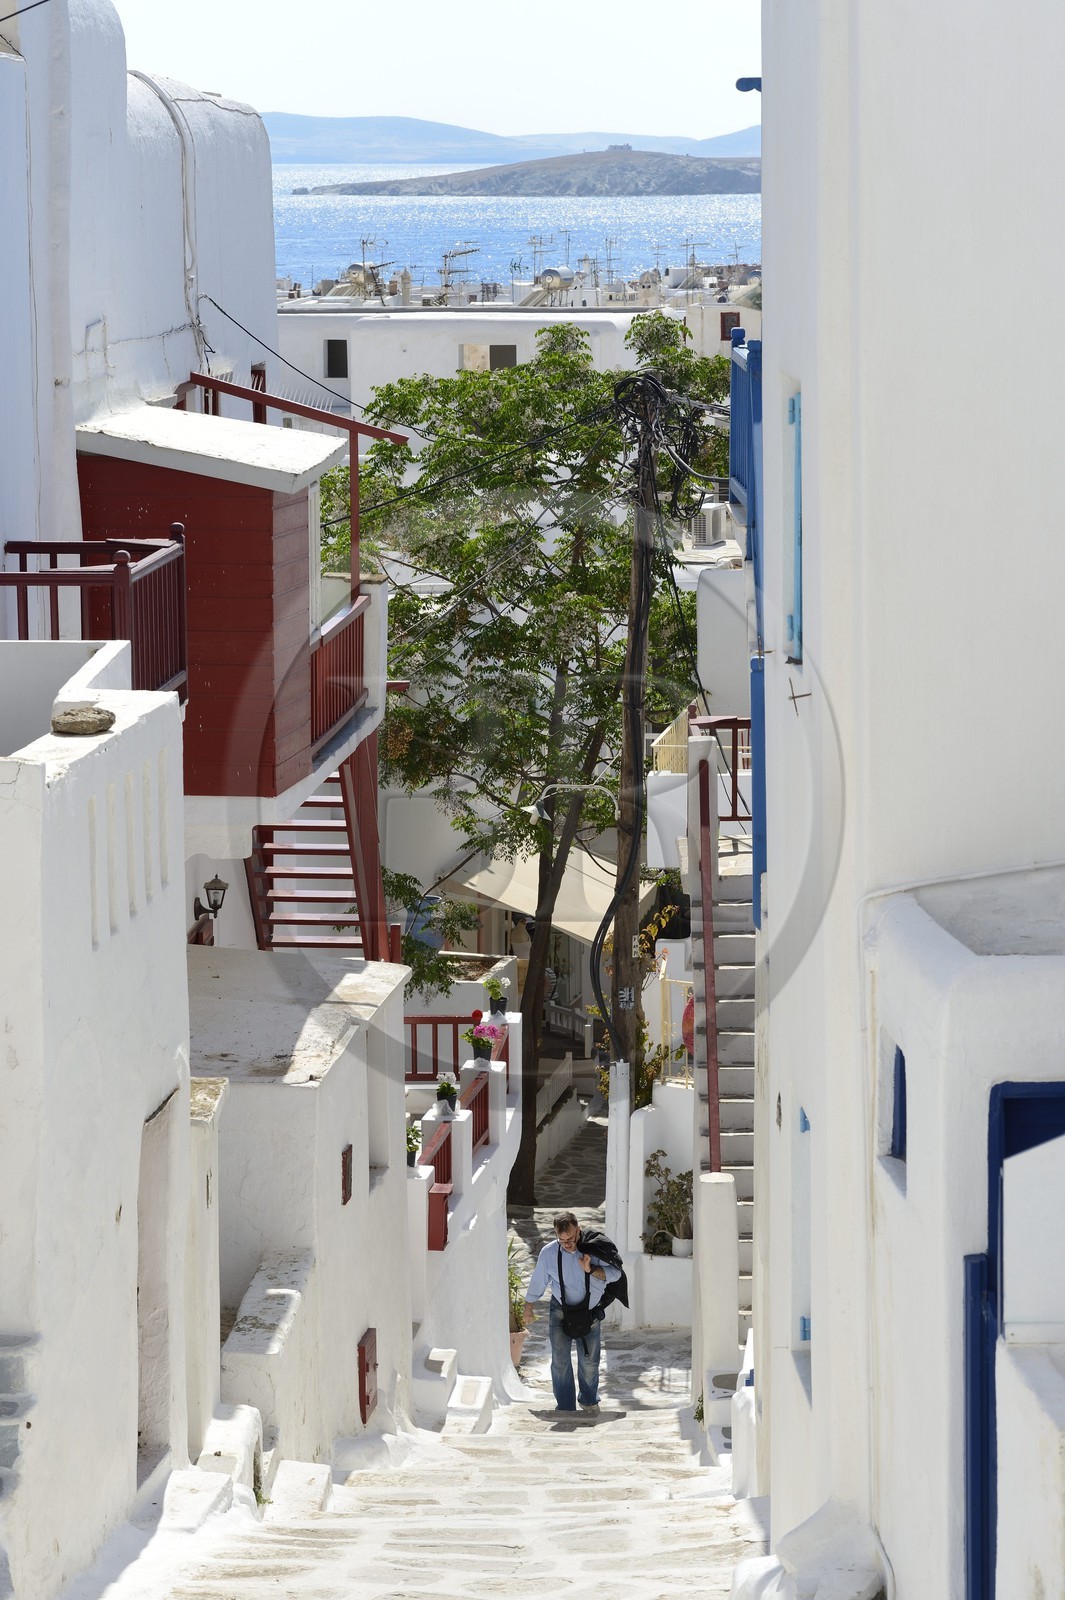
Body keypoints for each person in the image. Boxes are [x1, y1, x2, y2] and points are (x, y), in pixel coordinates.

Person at [523, 1211, 622, 1415]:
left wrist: (591, 1269)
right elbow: (538, 1280)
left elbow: (616, 1273)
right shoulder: (549, 1253)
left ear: (578, 1230)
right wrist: (528, 1307)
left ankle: (588, 1401)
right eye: (562, 1240)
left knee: (589, 1361)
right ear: (556, 1235)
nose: (567, 1244)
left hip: (590, 1313)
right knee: (560, 1360)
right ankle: (565, 1407)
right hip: (561, 1310)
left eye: (570, 1239)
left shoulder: (594, 1248)